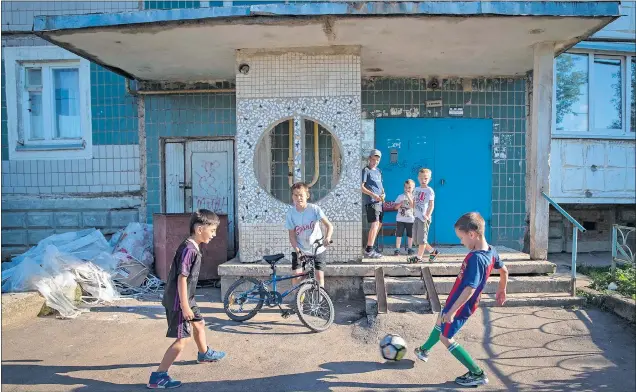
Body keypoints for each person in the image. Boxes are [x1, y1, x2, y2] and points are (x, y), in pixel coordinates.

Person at [414, 212, 509, 387]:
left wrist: (452, 311)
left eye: (462, 237)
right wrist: (501, 289)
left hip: (461, 305)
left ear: (472, 234)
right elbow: (504, 271)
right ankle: (424, 349)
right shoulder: (491, 251)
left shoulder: (476, 258)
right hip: (458, 301)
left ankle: (477, 373)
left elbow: (470, 289)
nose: (461, 242)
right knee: (440, 317)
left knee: (446, 338)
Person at [148, 209, 226, 389]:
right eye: (212, 230)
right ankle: (158, 376)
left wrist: (188, 302)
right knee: (183, 339)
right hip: (179, 302)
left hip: (186, 299)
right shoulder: (189, 250)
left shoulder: (192, 246)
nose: (214, 235)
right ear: (200, 229)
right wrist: (184, 306)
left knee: (199, 324)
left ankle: (204, 353)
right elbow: (182, 278)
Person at [286, 182, 334, 289]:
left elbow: (329, 226)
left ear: (307, 195)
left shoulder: (314, 209)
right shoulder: (290, 213)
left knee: (319, 276)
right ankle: (298, 302)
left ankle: (319, 300)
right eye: (295, 195)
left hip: (317, 248)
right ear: (292, 197)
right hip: (300, 248)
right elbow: (292, 236)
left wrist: (327, 238)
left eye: (301, 195)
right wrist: (298, 250)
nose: (298, 198)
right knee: (296, 277)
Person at [407, 168, 439, 263]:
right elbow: (413, 204)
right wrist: (409, 197)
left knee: (422, 239)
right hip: (416, 217)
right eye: (421, 178)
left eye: (426, 178)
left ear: (429, 179)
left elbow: (431, 205)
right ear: (418, 178)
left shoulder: (430, 190)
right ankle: (433, 251)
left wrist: (427, 215)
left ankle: (419, 257)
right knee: (417, 239)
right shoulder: (416, 190)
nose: (423, 180)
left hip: (424, 218)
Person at [361, 149, 385, 258]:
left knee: (379, 224)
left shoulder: (379, 171)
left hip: (380, 201)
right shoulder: (366, 170)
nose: (375, 161)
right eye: (373, 159)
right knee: (375, 224)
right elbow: (361, 187)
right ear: (369, 158)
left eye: (377, 160)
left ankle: (370, 248)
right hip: (371, 202)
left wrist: (383, 194)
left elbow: (381, 187)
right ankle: (369, 250)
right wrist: (373, 195)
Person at [394, 179, 416, 256]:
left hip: (410, 219)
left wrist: (408, 197)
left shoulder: (414, 197)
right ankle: (397, 249)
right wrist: (401, 203)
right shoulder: (400, 196)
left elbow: (413, 206)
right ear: (404, 188)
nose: (407, 189)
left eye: (409, 187)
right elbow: (395, 207)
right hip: (400, 219)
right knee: (399, 235)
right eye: (406, 187)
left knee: (410, 235)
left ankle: (410, 249)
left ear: (413, 188)